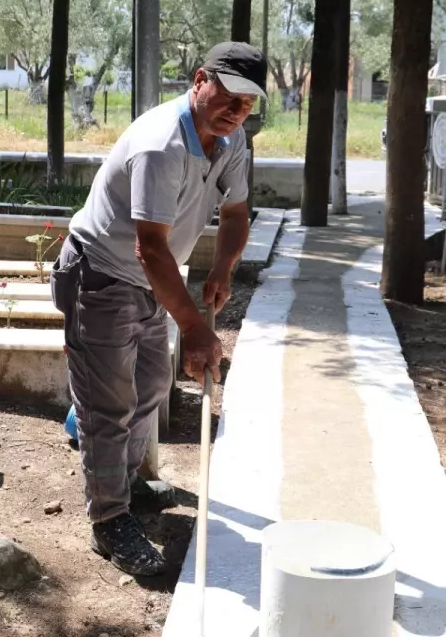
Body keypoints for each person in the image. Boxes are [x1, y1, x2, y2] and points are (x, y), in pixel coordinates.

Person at [49, 41, 264, 576]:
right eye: (230, 94)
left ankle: (123, 484)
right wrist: (192, 325)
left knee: (147, 391)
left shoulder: (231, 140)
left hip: (149, 281)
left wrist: (222, 268)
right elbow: (150, 247)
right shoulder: (160, 144)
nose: (236, 109)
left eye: (249, 102)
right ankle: (109, 518)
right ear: (200, 80)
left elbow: (237, 214)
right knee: (109, 404)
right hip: (100, 276)